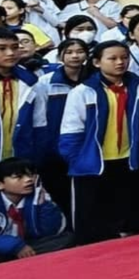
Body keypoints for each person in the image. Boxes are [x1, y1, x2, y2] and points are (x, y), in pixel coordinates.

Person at [57, 41, 139, 244]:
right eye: (112, 58)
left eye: (124, 57)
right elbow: (71, 130)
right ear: (97, 62)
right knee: (91, 219)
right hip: (93, 164)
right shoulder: (83, 91)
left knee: (125, 213)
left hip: (128, 160)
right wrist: (79, 160)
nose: (120, 62)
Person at [29, 36, 88, 211]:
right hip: (55, 143)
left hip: (87, 141)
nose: (75, 56)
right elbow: (40, 116)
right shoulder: (46, 81)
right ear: (60, 56)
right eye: (69, 52)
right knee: (60, 190)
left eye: (80, 51)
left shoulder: (94, 79)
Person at [0, 158, 72, 261]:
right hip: (3, 247)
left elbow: (50, 232)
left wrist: (45, 205)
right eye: (19, 177)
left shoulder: (37, 197)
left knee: (67, 239)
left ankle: (19, 257)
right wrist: (15, 246)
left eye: (30, 175)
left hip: (28, 244)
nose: (28, 180)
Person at [0, 26, 39, 164]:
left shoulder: (30, 82)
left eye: (15, 47)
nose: (10, 53)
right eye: (1, 48)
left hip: (19, 158)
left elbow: (39, 123)